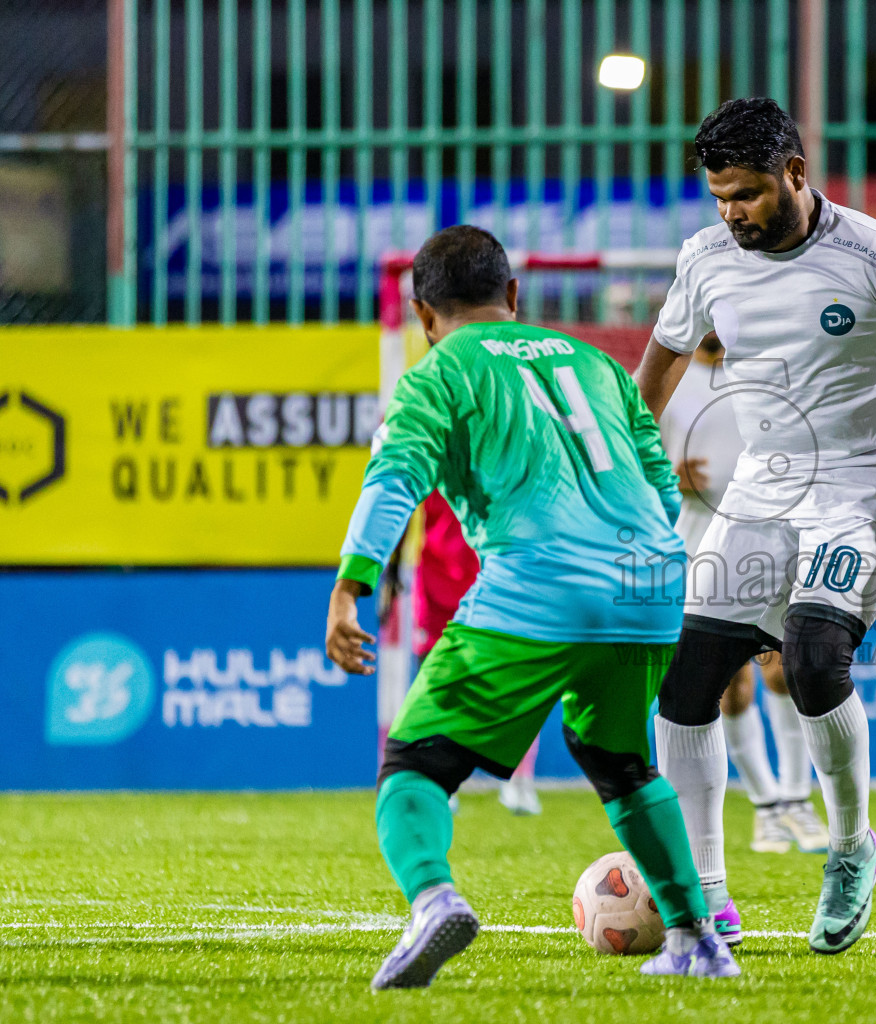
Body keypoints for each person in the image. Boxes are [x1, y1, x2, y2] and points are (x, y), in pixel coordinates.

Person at [633, 98, 876, 955]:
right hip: (764, 486)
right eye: (720, 195)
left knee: (810, 657)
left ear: (796, 174)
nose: (734, 212)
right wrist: (622, 466)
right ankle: (704, 892)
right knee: (687, 684)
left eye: (751, 193)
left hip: (867, 484)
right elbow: (656, 367)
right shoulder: (706, 258)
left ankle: (849, 848)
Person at [326, 225, 738, 987]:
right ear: (513, 295)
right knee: (620, 761)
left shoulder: (439, 370)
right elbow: (656, 476)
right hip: (648, 584)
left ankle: (431, 900)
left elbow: (395, 476)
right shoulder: (595, 362)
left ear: (423, 315)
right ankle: (696, 940)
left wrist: (352, 584)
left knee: (414, 761)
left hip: (542, 584)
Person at [657, 335, 831, 856]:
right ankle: (767, 807)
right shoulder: (672, 379)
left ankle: (798, 798)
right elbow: (631, 458)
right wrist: (669, 476)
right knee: (729, 684)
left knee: (785, 667)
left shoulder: (772, 369)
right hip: (698, 541)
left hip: (773, 535)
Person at [412, 491, 541, 816]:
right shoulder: (430, 444)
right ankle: (440, 779)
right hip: (437, 577)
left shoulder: (512, 442)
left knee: (517, 677)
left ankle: (518, 777)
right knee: (439, 681)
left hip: (500, 574)